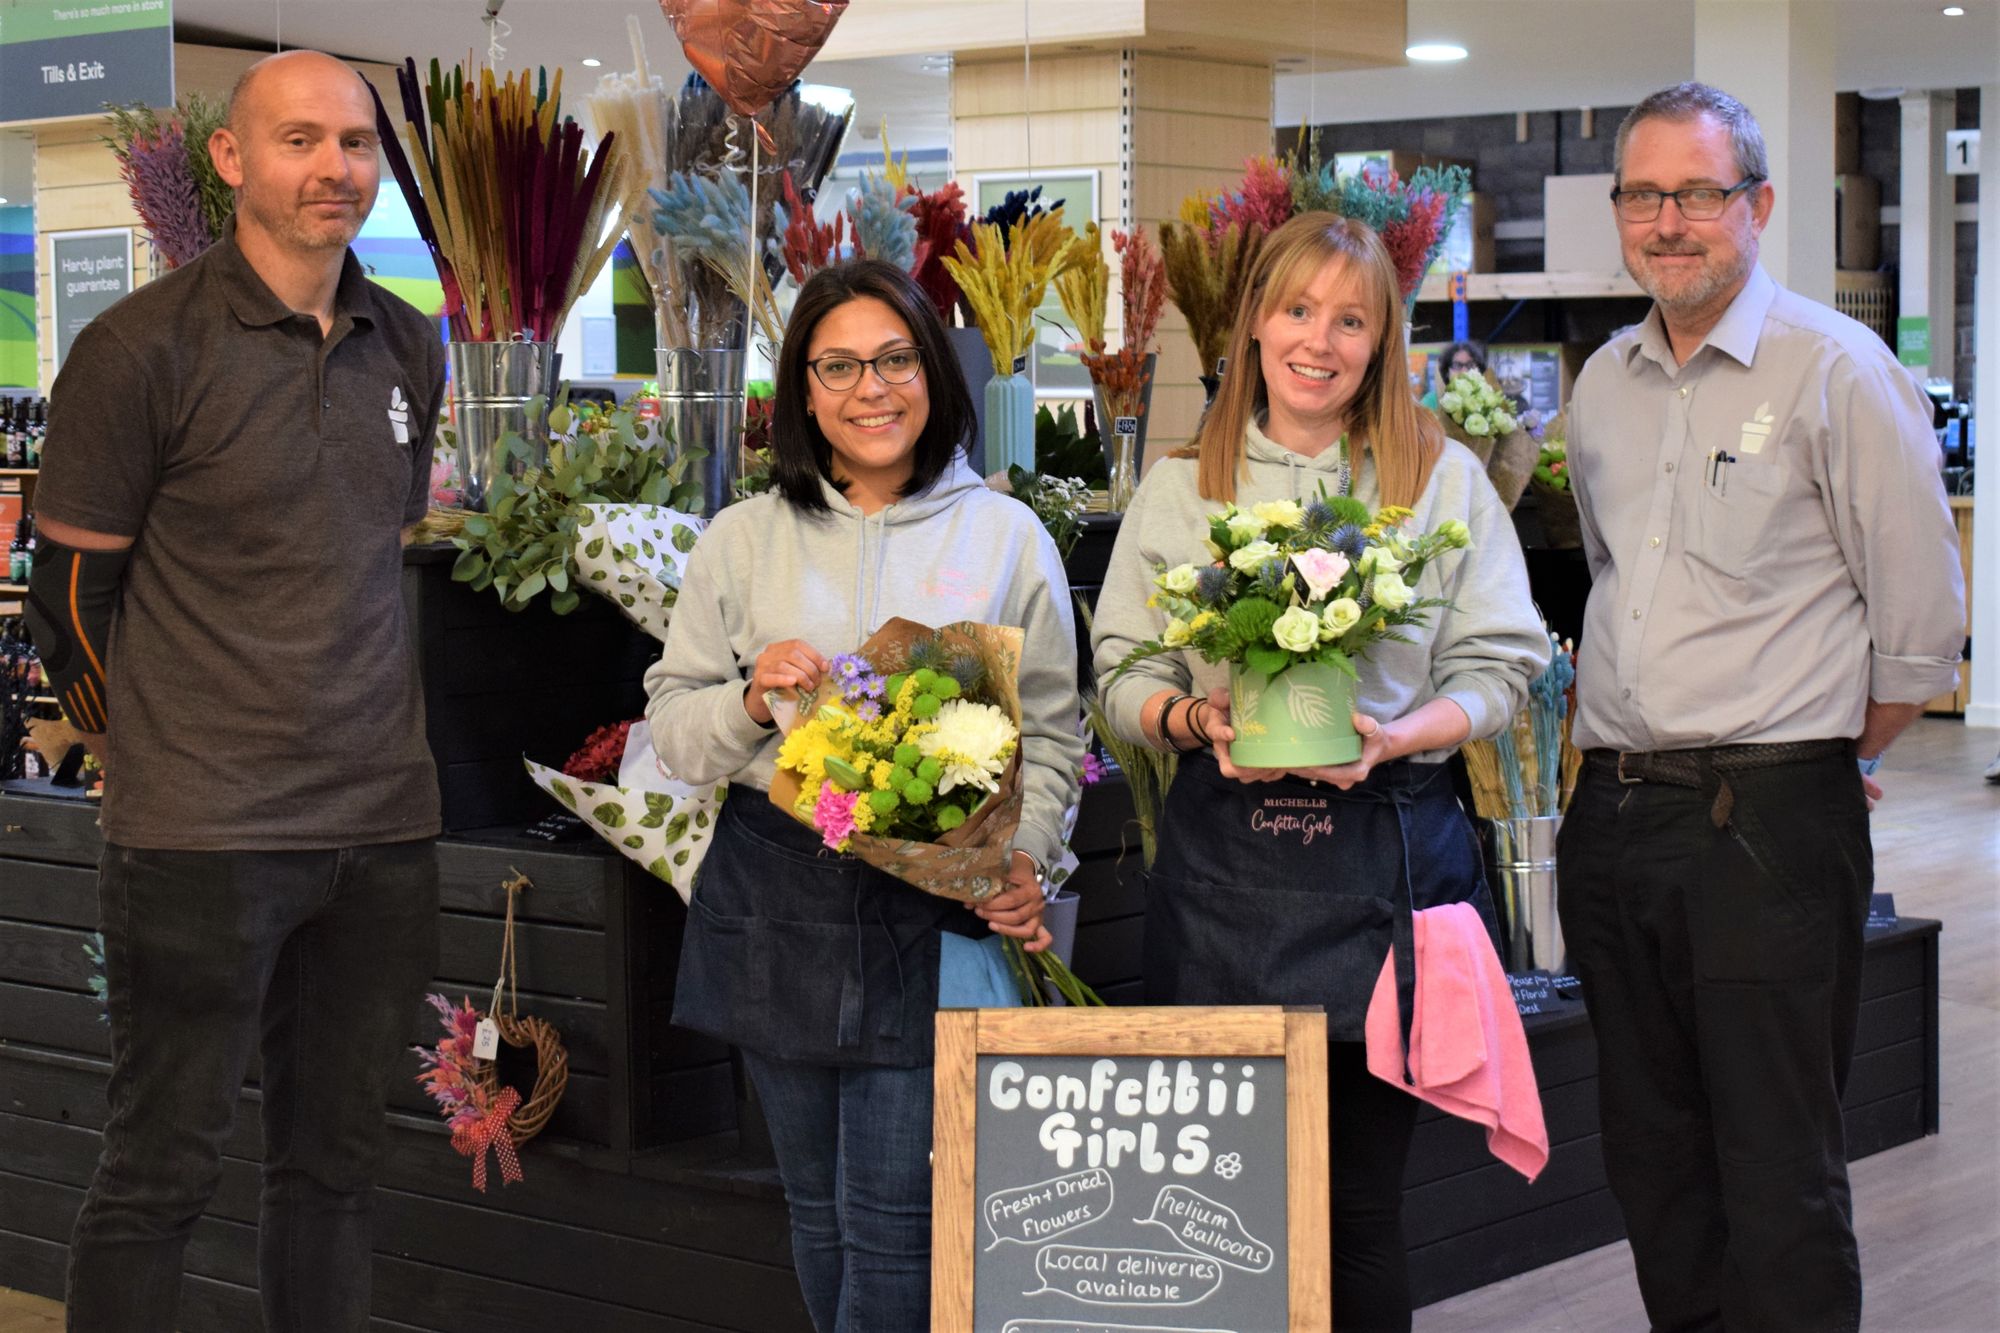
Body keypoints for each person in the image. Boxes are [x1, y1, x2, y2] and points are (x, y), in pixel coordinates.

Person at [26, 51, 447, 1330]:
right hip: (202, 838)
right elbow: (68, 608)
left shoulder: (408, 343)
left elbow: (371, 561)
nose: (335, 169)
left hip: (379, 828)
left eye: (356, 145)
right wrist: (155, 755)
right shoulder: (137, 349)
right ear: (230, 159)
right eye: (299, 140)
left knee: (336, 1172)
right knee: (162, 1169)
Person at [1090, 213, 1548, 1331]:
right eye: (1297, 309)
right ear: (1252, 320)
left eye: (1350, 319)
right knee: (1223, 1209)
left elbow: (1502, 664)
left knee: (1354, 1212)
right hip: (1222, 888)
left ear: (1382, 339)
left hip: (1385, 875)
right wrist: (1193, 716)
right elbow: (1120, 672)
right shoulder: (1180, 486)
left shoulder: (1438, 479)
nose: (1319, 340)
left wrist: (1401, 732)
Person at [1559, 82, 1966, 1333]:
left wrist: (1811, 753)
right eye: (1641, 195)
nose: (1665, 221)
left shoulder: (1836, 371)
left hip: (1767, 822)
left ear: (1758, 203)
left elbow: (1918, 634)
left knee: (1775, 1161)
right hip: (1611, 816)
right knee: (1652, 1154)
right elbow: (1610, 578)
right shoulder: (1600, 386)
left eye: (1696, 193)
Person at [646, 258, 1085, 1331]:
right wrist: (749, 702)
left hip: (930, 908)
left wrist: (1024, 856)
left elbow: (1053, 732)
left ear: (932, 371)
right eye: (836, 366)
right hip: (774, 898)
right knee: (818, 1214)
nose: (870, 389)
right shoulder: (741, 538)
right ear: (803, 391)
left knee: (897, 1225)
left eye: (894, 360)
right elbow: (674, 730)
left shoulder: (1004, 535)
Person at [1420, 339, 1486, 410]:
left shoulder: (1486, 399)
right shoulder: (1431, 401)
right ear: (1447, 372)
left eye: (1470, 365)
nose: (1464, 371)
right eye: (1457, 365)